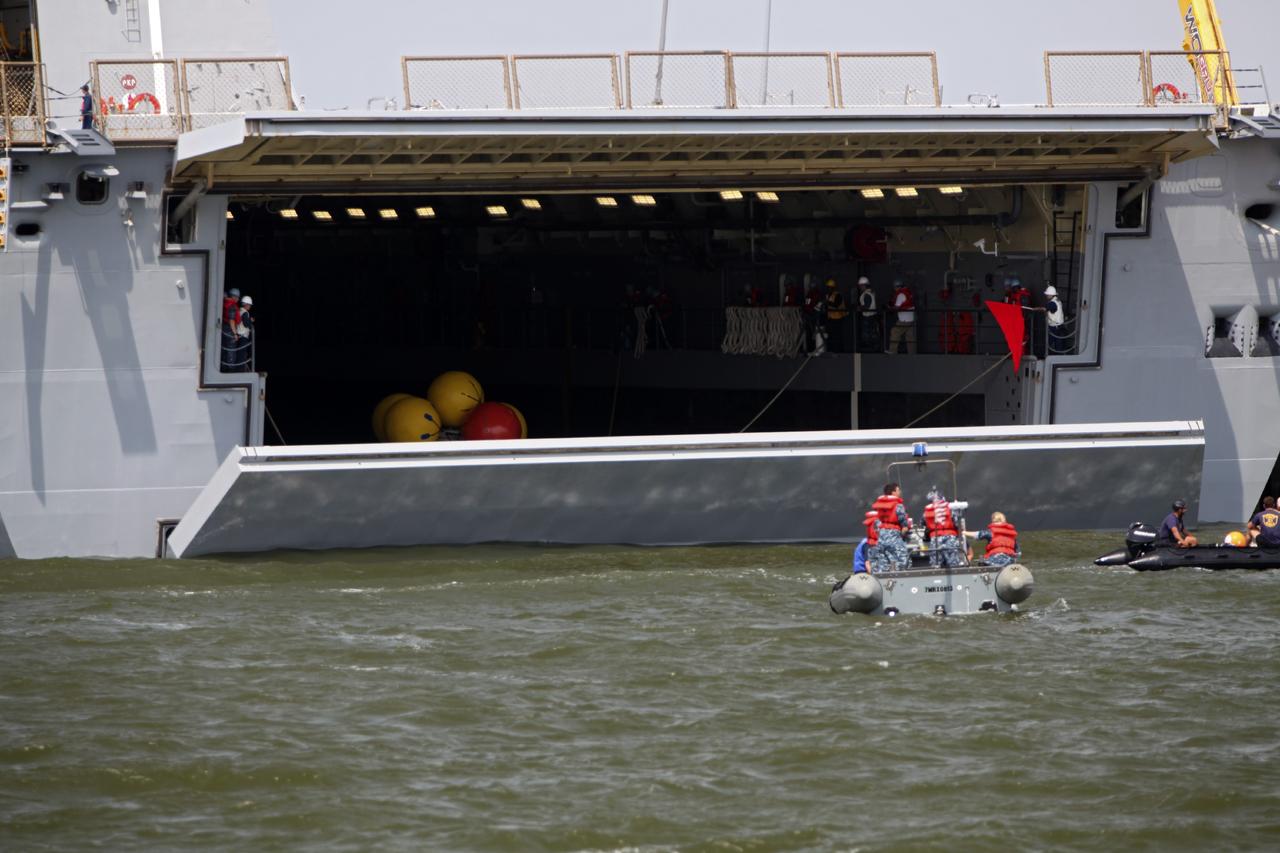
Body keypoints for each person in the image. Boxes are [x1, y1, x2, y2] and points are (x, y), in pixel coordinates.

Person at [871, 483, 911, 572]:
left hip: (881, 537)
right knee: (903, 559)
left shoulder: (880, 506)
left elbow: (877, 522)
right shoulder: (898, 505)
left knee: (884, 562)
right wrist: (904, 534)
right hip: (894, 536)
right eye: (898, 490)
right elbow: (904, 525)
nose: (900, 492)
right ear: (893, 492)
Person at [922, 488, 966, 568]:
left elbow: (923, 523)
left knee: (936, 565)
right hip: (950, 538)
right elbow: (956, 523)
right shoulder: (950, 508)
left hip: (935, 539)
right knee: (954, 564)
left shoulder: (926, 511)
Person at [888, 279, 916, 354]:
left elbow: (896, 307)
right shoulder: (908, 292)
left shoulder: (900, 294)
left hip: (904, 320)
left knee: (895, 332)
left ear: (897, 287)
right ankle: (912, 354)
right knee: (910, 337)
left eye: (894, 288)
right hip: (911, 319)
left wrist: (889, 308)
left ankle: (893, 351)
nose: (894, 289)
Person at [1043, 284, 1070, 355]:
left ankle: (1048, 356)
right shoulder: (1058, 301)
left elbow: (1044, 309)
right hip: (1059, 326)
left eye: (1047, 294)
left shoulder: (1052, 303)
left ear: (1051, 295)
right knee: (1059, 344)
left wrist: (1034, 309)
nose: (1046, 296)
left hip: (1054, 327)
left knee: (1051, 344)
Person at [855, 276, 880, 353]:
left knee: (867, 334)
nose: (860, 287)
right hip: (873, 316)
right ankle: (873, 348)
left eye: (860, 285)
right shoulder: (871, 292)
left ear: (864, 285)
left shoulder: (866, 294)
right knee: (872, 333)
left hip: (868, 317)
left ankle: (869, 350)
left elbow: (866, 306)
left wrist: (859, 308)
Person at [824, 278, 848, 353]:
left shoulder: (838, 295)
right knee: (830, 335)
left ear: (833, 288)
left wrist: (827, 303)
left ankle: (839, 351)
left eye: (830, 287)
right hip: (830, 318)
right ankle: (831, 350)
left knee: (837, 336)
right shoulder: (827, 296)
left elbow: (836, 304)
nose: (828, 289)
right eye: (828, 287)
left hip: (838, 318)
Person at [220, 287, 242, 371]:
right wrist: (235, 333)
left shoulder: (225, 303)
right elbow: (232, 320)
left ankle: (224, 367)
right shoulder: (232, 305)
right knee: (231, 350)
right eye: (237, 297)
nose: (238, 299)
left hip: (224, 328)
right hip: (229, 330)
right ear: (234, 297)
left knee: (224, 349)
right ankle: (230, 369)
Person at [233, 294, 255, 372]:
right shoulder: (245, 313)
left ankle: (238, 368)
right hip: (243, 336)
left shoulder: (239, 311)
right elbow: (246, 324)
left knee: (239, 353)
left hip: (238, 334)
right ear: (245, 304)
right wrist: (251, 321)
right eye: (249, 305)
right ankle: (240, 370)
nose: (250, 306)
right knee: (242, 354)